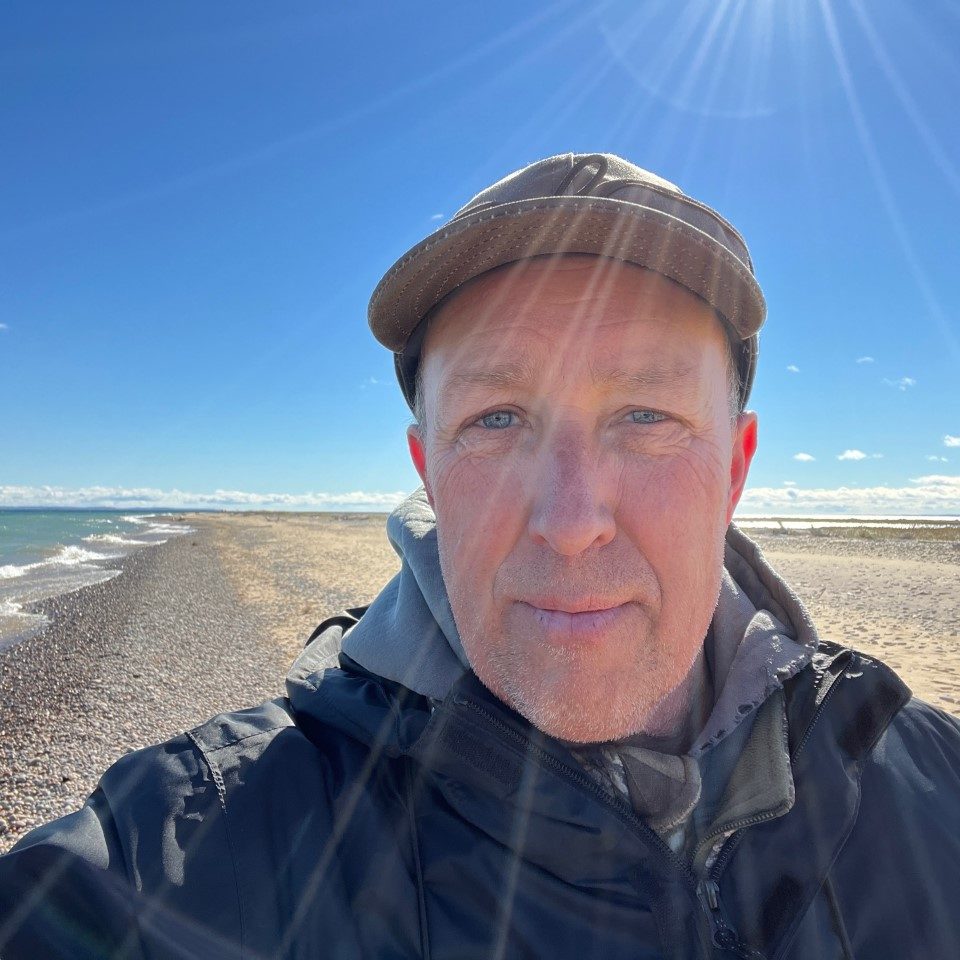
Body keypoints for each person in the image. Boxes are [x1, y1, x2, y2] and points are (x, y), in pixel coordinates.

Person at [1, 152, 958, 960]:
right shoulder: (195, 842)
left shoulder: (928, 787)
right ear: (429, 467)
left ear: (737, 467)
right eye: (497, 419)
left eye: (647, 416)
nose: (573, 518)